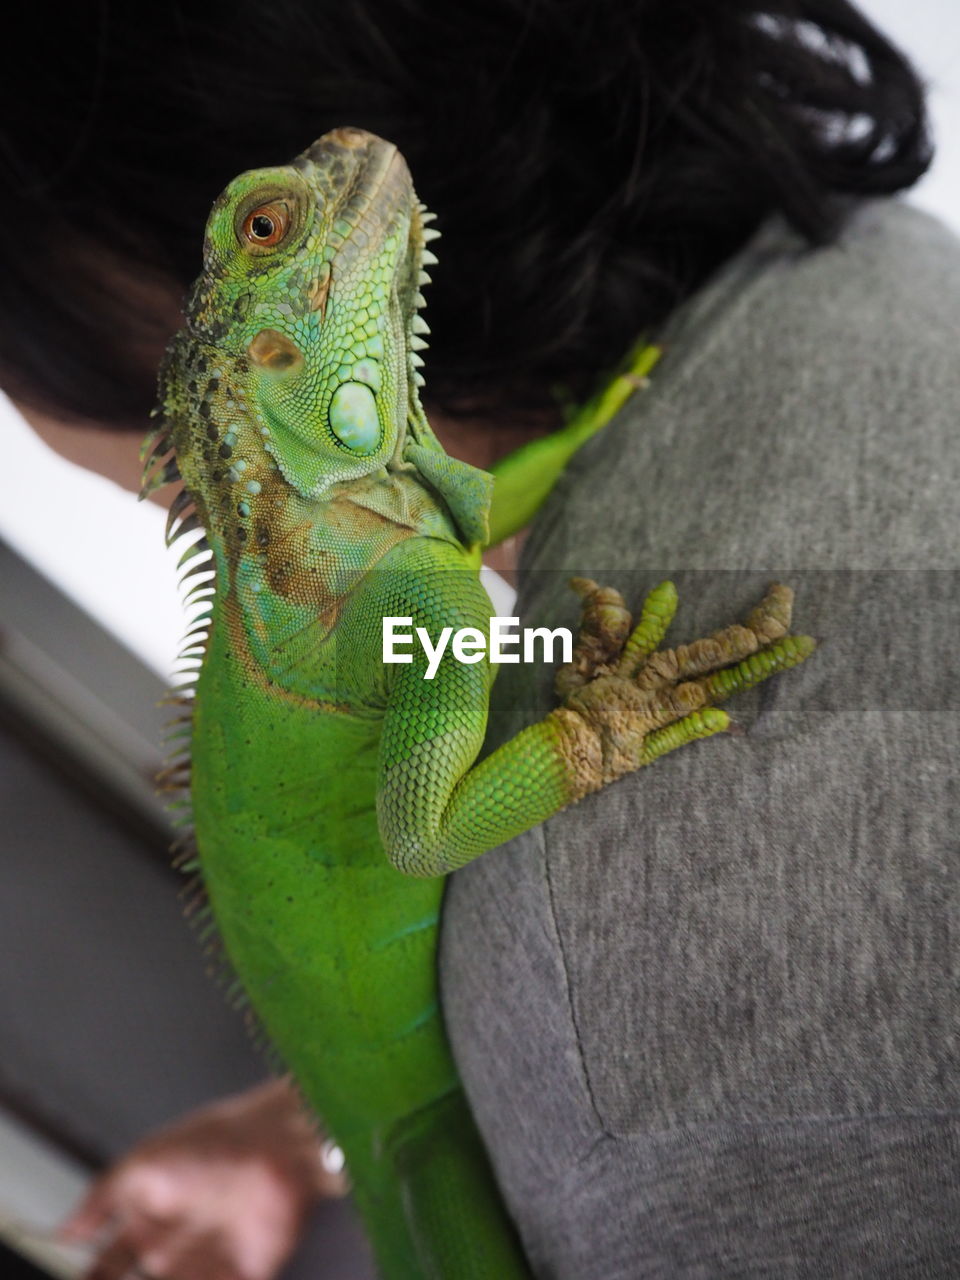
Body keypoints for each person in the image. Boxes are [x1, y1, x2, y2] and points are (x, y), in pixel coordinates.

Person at [3, 1, 957, 1276]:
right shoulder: (847, 253)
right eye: (271, 229)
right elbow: (423, 804)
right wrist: (589, 726)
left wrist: (591, 726)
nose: (347, 158)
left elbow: (423, 788)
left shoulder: (397, 576)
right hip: (416, 1140)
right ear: (269, 350)